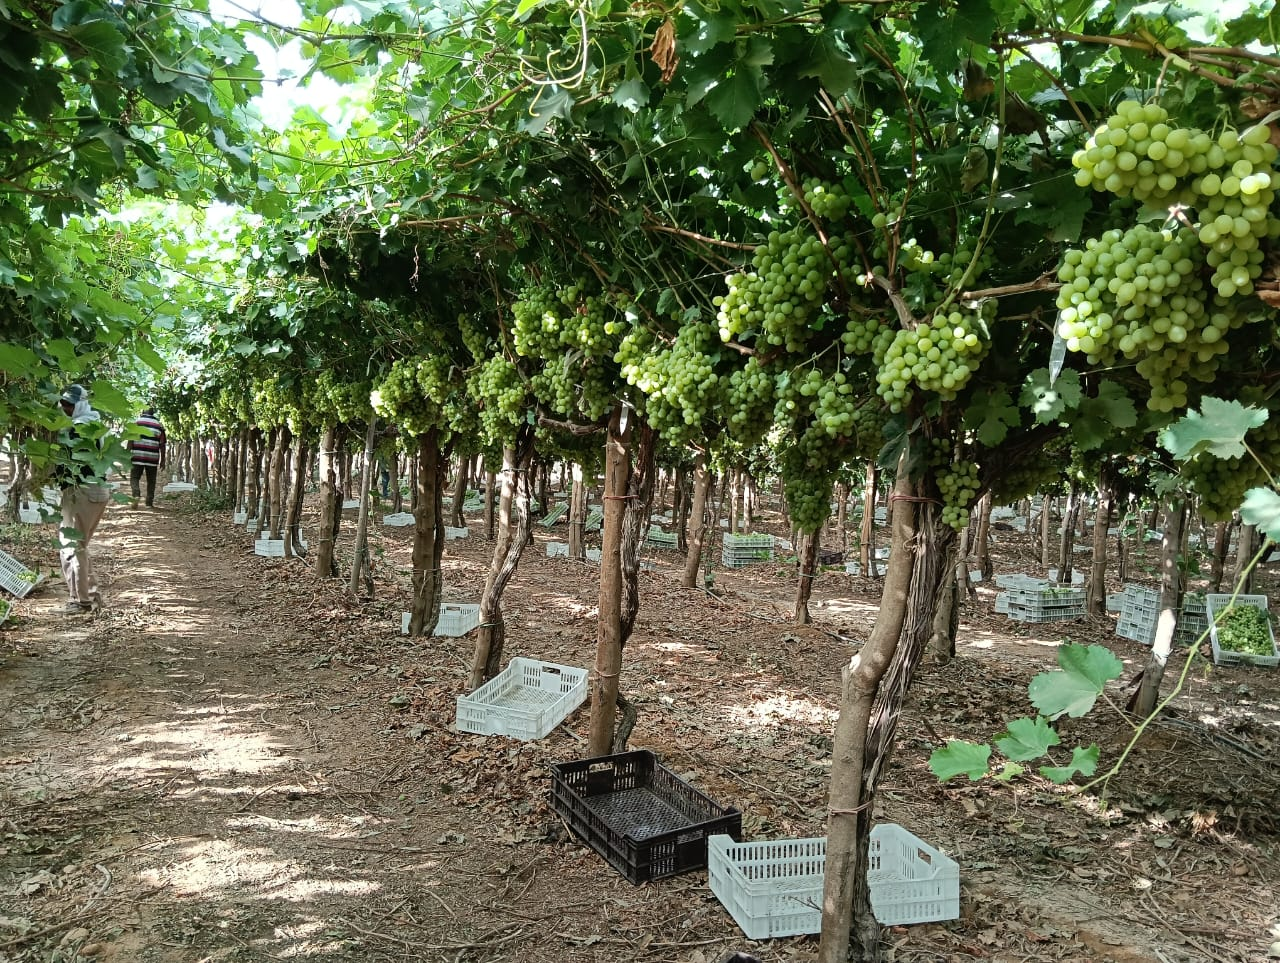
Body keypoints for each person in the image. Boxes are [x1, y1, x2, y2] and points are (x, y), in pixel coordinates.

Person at [55, 384, 111, 615]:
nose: (66, 408)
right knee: (80, 545)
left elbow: (66, 461)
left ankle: (82, 601)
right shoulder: (97, 422)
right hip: (98, 491)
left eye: (70, 404)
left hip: (81, 491)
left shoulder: (77, 428)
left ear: (81, 404)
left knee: (71, 545)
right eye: (64, 404)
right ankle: (88, 593)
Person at [127, 406, 166, 507]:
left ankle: (136, 494)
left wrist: (127, 454)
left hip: (137, 455)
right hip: (152, 457)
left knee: (134, 477)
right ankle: (149, 503)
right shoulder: (159, 426)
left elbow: (130, 440)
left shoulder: (137, 423)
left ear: (142, 411)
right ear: (153, 413)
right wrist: (163, 460)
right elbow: (162, 445)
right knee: (151, 480)